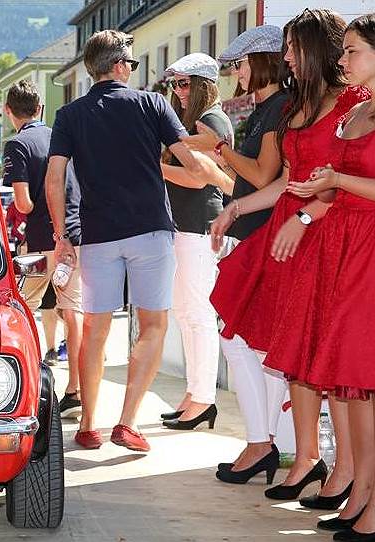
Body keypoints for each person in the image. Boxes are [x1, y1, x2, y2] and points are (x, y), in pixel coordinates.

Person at [209, 9, 368, 503]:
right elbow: (284, 182)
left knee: (330, 362)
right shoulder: (299, 105)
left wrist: (305, 219)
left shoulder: (355, 101)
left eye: (295, 48)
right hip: (291, 230)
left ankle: (343, 472)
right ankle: (306, 459)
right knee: (297, 356)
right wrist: (236, 207)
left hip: (326, 234)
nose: (287, 58)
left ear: (318, 48)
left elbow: (340, 179)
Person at [45, 29, 219, 451]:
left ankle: (88, 422)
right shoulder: (153, 104)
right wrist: (224, 178)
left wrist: (61, 234)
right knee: (154, 324)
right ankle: (126, 422)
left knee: (94, 327)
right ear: (121, 65)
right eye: (133, 64)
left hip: (99, 233)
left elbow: (54, 178)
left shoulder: (70, 115)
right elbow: (190, 161)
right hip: (150, 230)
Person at [264, 14, 375, 537]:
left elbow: (345, 185)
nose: (344, 61)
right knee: (348, 377)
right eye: (344, 52)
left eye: (352, 52)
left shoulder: (353, 106)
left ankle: (361, 491)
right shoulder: (357, 109)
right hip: (341, 240)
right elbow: (310, 181)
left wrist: (321, 197)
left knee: (356, 377)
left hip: (361, 241)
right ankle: (356, 486)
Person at [183, 26, 289, 483]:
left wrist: (222, 150)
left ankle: (266, 444)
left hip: (262, 237)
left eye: (242, 64)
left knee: (243, 341)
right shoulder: (270, 109)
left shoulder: (278, 109)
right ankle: (268, 443)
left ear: (263, 61)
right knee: (247, 343)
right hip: (253, 235)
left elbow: (265, 176)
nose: (237, 72)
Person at [158, 53, 234, 432]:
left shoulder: (211, 120)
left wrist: (153, 165)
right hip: (189, 228)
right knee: (189, 315)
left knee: (198, 316)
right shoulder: (199, 123)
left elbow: (197, 178)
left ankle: (203, 399)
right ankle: (196, 394)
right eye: (174, 84)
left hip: (199, 228)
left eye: (185, 83)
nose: (178, 91)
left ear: (204, 84)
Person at [1, 79, 83, 418]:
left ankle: (28, 390)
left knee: (25, 310)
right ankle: (76, 390)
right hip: (75, 236)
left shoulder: (18, 144)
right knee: (72, 312)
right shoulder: (62, 136)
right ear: (42, 109)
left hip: (39, 241)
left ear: (9, 113)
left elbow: (24, 202)